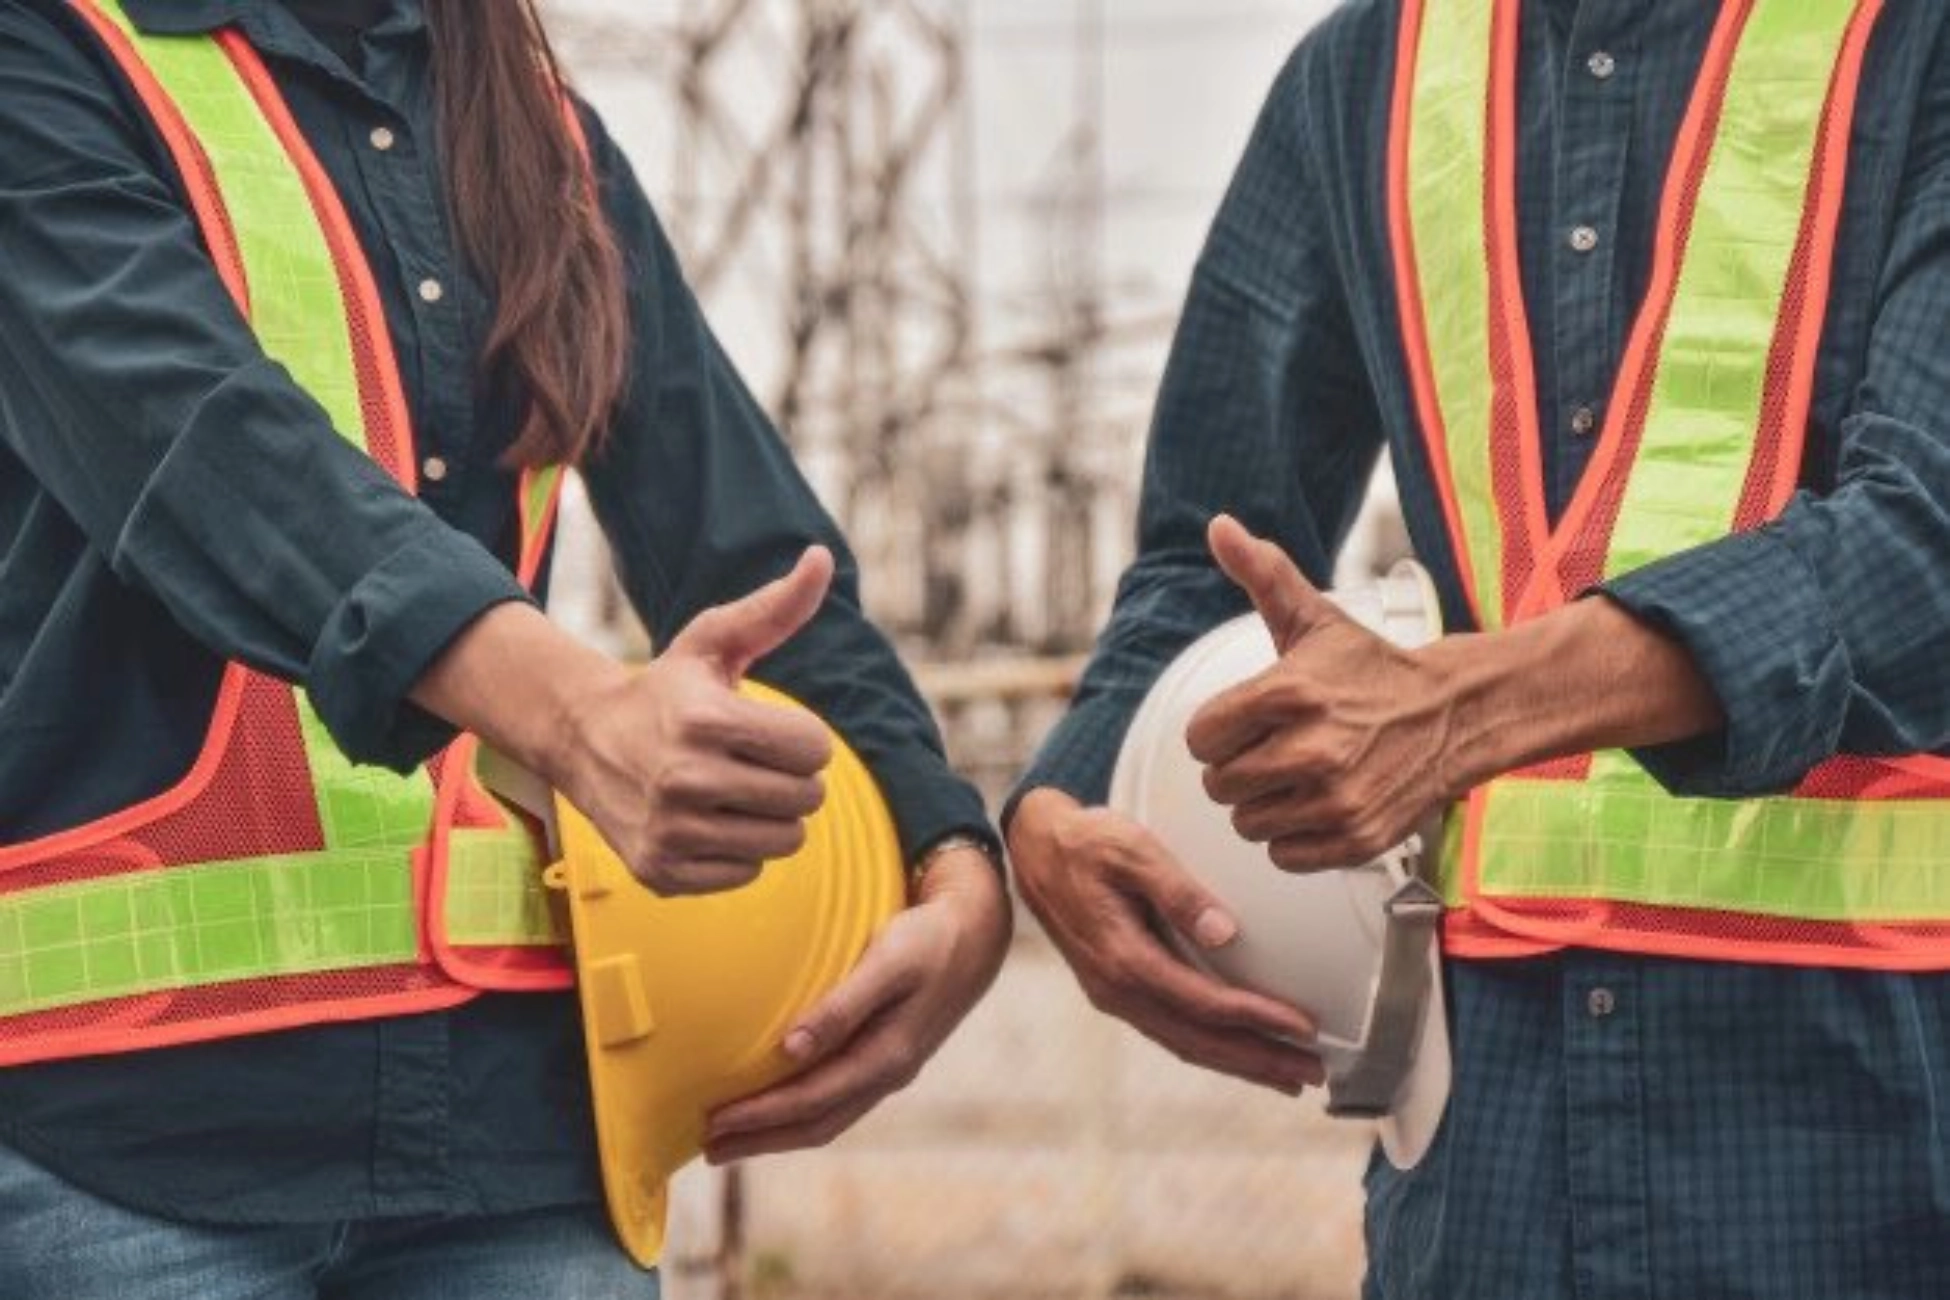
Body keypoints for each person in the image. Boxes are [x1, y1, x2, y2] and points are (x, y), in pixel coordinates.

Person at [0, 0, 1010, 1295]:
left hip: (510, 1131)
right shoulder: (49, 51)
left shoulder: (539, 135)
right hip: (118, 1133)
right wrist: (579, 711)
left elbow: (759, 563)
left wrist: (951, 869)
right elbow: (201, 442)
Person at [1007, 1, 1950, 1296]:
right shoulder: (1360, 78)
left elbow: (1927, 536)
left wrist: (1458, 710)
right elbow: (1203, 564)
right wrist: (1060, 806)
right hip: (1486, 1158)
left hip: (1874, 1124)